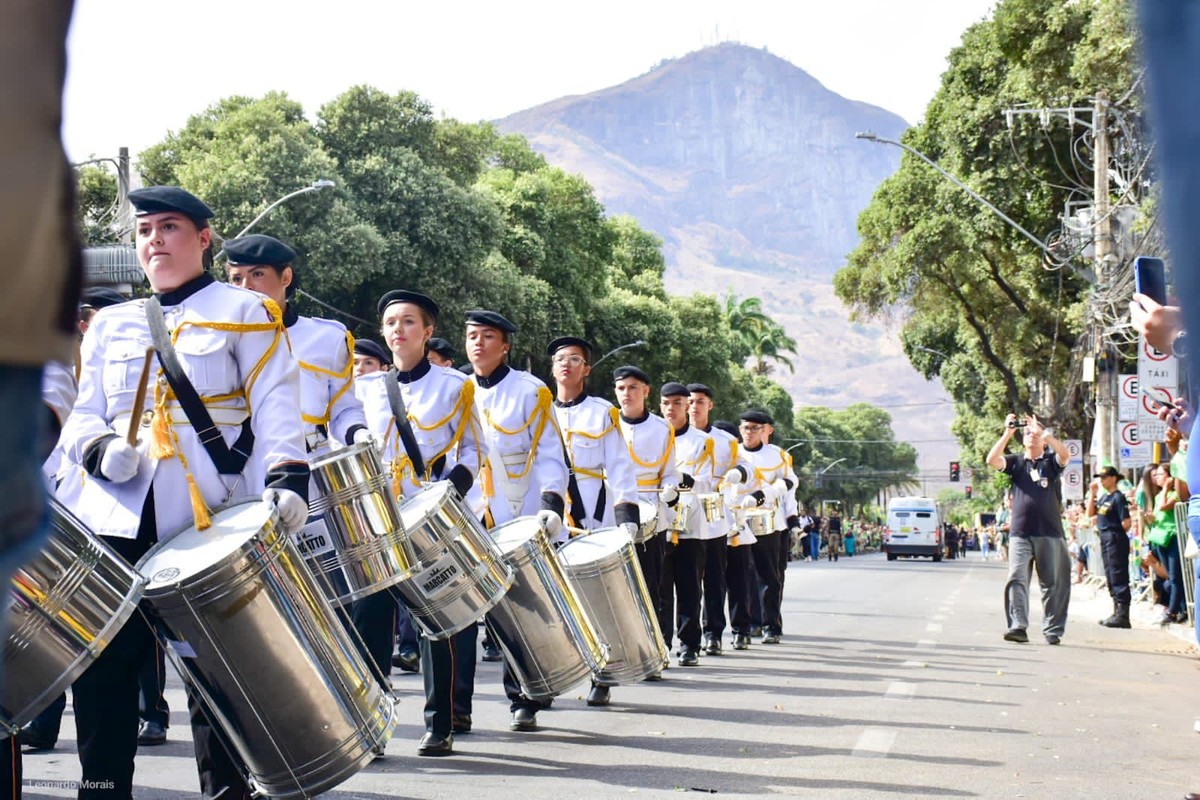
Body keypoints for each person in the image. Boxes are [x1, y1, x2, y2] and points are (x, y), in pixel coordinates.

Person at [55, 186, 310, 799]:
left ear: (203, 239)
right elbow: (84, 411)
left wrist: (286, 476)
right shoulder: (113, 321)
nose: (155, 241)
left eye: (170, 228)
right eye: (145, 230)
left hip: (206, 519)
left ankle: (225, 789)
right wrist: (96, 448)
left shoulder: (246, 311)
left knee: (216, 673)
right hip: (115, 518)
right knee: (102, 671)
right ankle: (104, 787)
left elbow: (275, 398)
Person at [224, 234, 387, 679]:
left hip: (312, 478)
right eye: (235, 278)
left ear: (286, 278)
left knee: (338, 595)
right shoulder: (219, 338)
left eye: (257, 276)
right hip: (246, 478)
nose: (246, 287)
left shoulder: (326, 337)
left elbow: (343, 407)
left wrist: (357, 431)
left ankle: (364, 692)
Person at [357, 290, 483, 756]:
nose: (398, 330)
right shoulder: (365, 389)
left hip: (429, 516)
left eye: (408, 322)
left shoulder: (455, 386)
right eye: (391, 322)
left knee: (436, 621)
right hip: (376, 520)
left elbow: (473, 449)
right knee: (368, 624)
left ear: (427, 332)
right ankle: (373, 723)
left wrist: (452, 489)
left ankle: (441, 721)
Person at [461, 309, 568, 732]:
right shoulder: (458, 389)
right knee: (466, 610)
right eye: (472, 336)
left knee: (516, 608)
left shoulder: (530, 390)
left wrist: (551, 504)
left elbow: (549, 454)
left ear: (504, 345)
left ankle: (524, 695)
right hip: (468, 511)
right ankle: (455, 708)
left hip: (516, 510)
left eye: (488, 337)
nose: (479, 344)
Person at [547, 336, 639, 705]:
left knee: (593, 597)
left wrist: (625, 516)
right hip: (550, 513)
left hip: (592, 513)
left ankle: (603, 670)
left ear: (586, 369)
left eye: (574, 360)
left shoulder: (603, 412)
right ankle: (549, 678)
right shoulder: (540, 409)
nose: (565, 365)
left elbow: (619, 466)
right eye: (559, 360)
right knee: (553, 599)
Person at [614, 365, 679, 673]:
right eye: (621, 388)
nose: (626, 393)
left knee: (652, 586)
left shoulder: (661, 428)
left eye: (632, 387)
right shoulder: (608, 423)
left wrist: (670, 487)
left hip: (651, 514)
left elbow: (670, 470)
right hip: (614, 513)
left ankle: (656, 649)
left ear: (646, 391)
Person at [986, 413, 1070, 645]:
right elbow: (992, 460)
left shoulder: (1050, 462)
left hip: (1050, 532)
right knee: (1017, 577)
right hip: (1020, 533)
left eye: (1035, 433)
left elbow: (1065, 455)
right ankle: (1018, 626)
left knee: (1052, 583)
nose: (1031, 436)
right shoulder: (1016, 463)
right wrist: (1008, 432)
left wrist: (1045, 434)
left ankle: (1052, 629)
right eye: (1028, 433)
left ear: (1043, 439)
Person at [728, 410, 798, 644]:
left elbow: (790, 481)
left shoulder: (776, 454)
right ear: (740, 430)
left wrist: (768, 493)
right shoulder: (732, 453)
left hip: (769, 519)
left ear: (764, 430)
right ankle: (749, 625)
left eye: (755, 428)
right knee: (741, 576)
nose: (749, 432)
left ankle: (771, 625)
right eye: (746, 428)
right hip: (738, 519)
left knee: (768, 575)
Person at [659, 382, 713, 667]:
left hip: (691, 521)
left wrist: (684, 479)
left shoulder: (701, 441)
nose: (671, 408)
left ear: (687, 406)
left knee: (690, 586)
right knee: (661, 587)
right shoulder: (654, 434)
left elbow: (708, 482)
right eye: (666, 403)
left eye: (678, 403)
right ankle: (661, 644)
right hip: (660, 522)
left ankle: (690, 643)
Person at [687, 386, 738, 655]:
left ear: (710, 405)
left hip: (714, 510)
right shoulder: (671, 434)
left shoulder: (725, 440)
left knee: (715, 578)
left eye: (700, 402)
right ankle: (688, 635)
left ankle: (714, 633)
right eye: (690, 402)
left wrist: (739, 473)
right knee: (688, 579)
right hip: (684, 514)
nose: (694, 407)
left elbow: (745, 465)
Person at [1088, 465, 1133, 628]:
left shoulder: (1118, 498)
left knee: (1118, 573)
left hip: (1115, 537)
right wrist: (1092, 494)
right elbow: (1090, 514)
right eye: (1100, 478)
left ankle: (1123, 613)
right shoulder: (1104, 497)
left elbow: (1126, 523)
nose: (1102, 480)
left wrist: (1116, 532)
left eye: (1105, 477)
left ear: (1114, 478)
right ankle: (1116, 611)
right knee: (1110, 574)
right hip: (1105, 537)